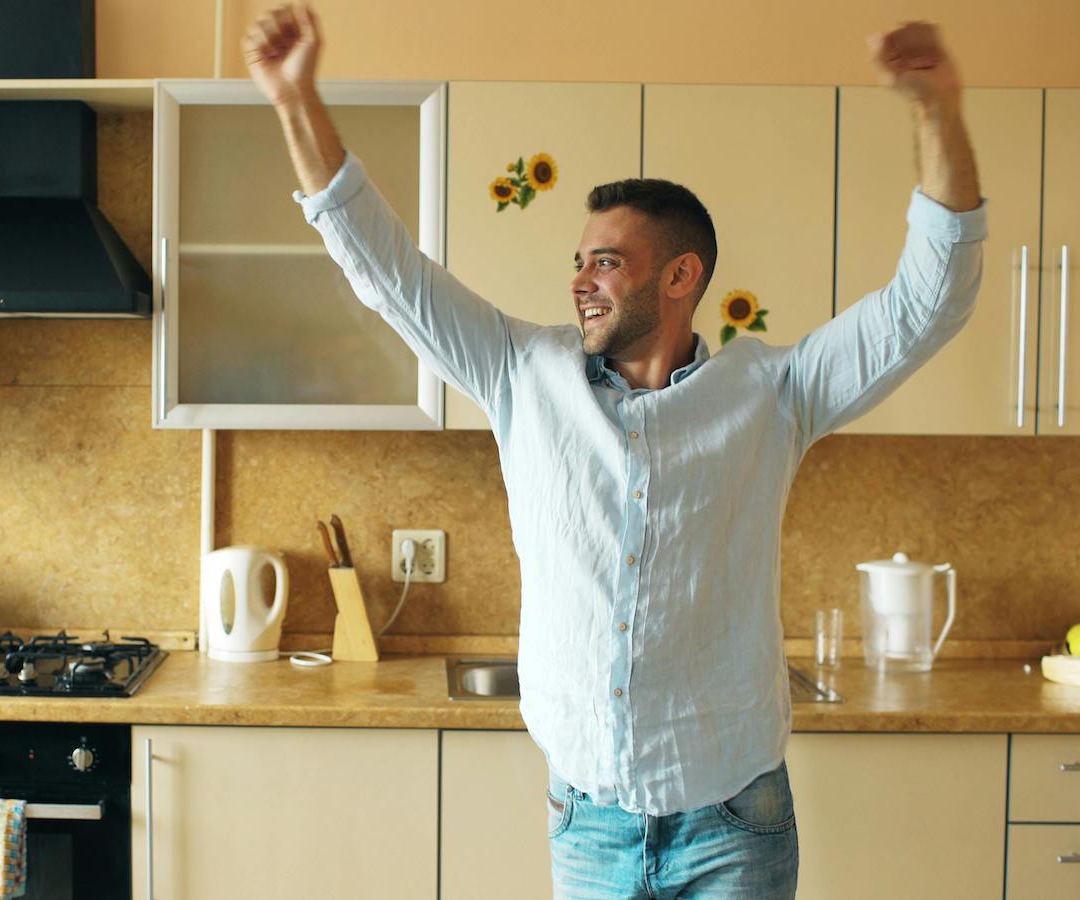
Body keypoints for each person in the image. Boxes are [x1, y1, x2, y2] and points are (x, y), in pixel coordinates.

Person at [244, 6, 983, 897]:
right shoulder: (521, 370)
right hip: (586, 823)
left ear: (681, 277)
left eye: (605, 262)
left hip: (733, 825)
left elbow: (926, 301)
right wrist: (295, 103)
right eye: (578, 262)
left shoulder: (773, 392)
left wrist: (938, 110)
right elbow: (384, 269)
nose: (578, 282)